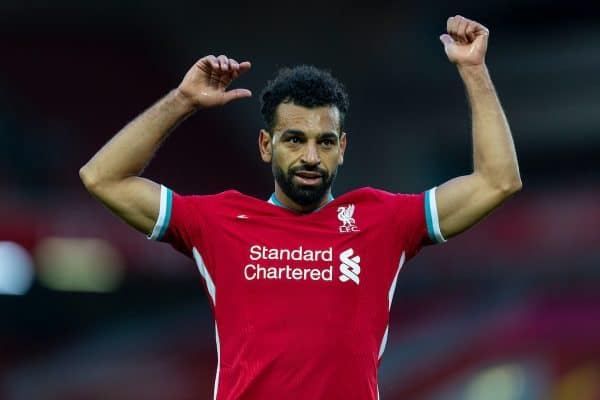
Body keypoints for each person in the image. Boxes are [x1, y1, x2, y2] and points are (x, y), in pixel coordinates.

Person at [80, 15, 521, 400]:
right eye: (295, 139)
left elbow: (497, 181)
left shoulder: (384, 220)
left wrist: (474, 69)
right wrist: (183, 101)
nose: (311, 156)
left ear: (342, 148)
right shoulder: (216, 221)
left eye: (325, 142)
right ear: (265, 144)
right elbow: (103, 177)